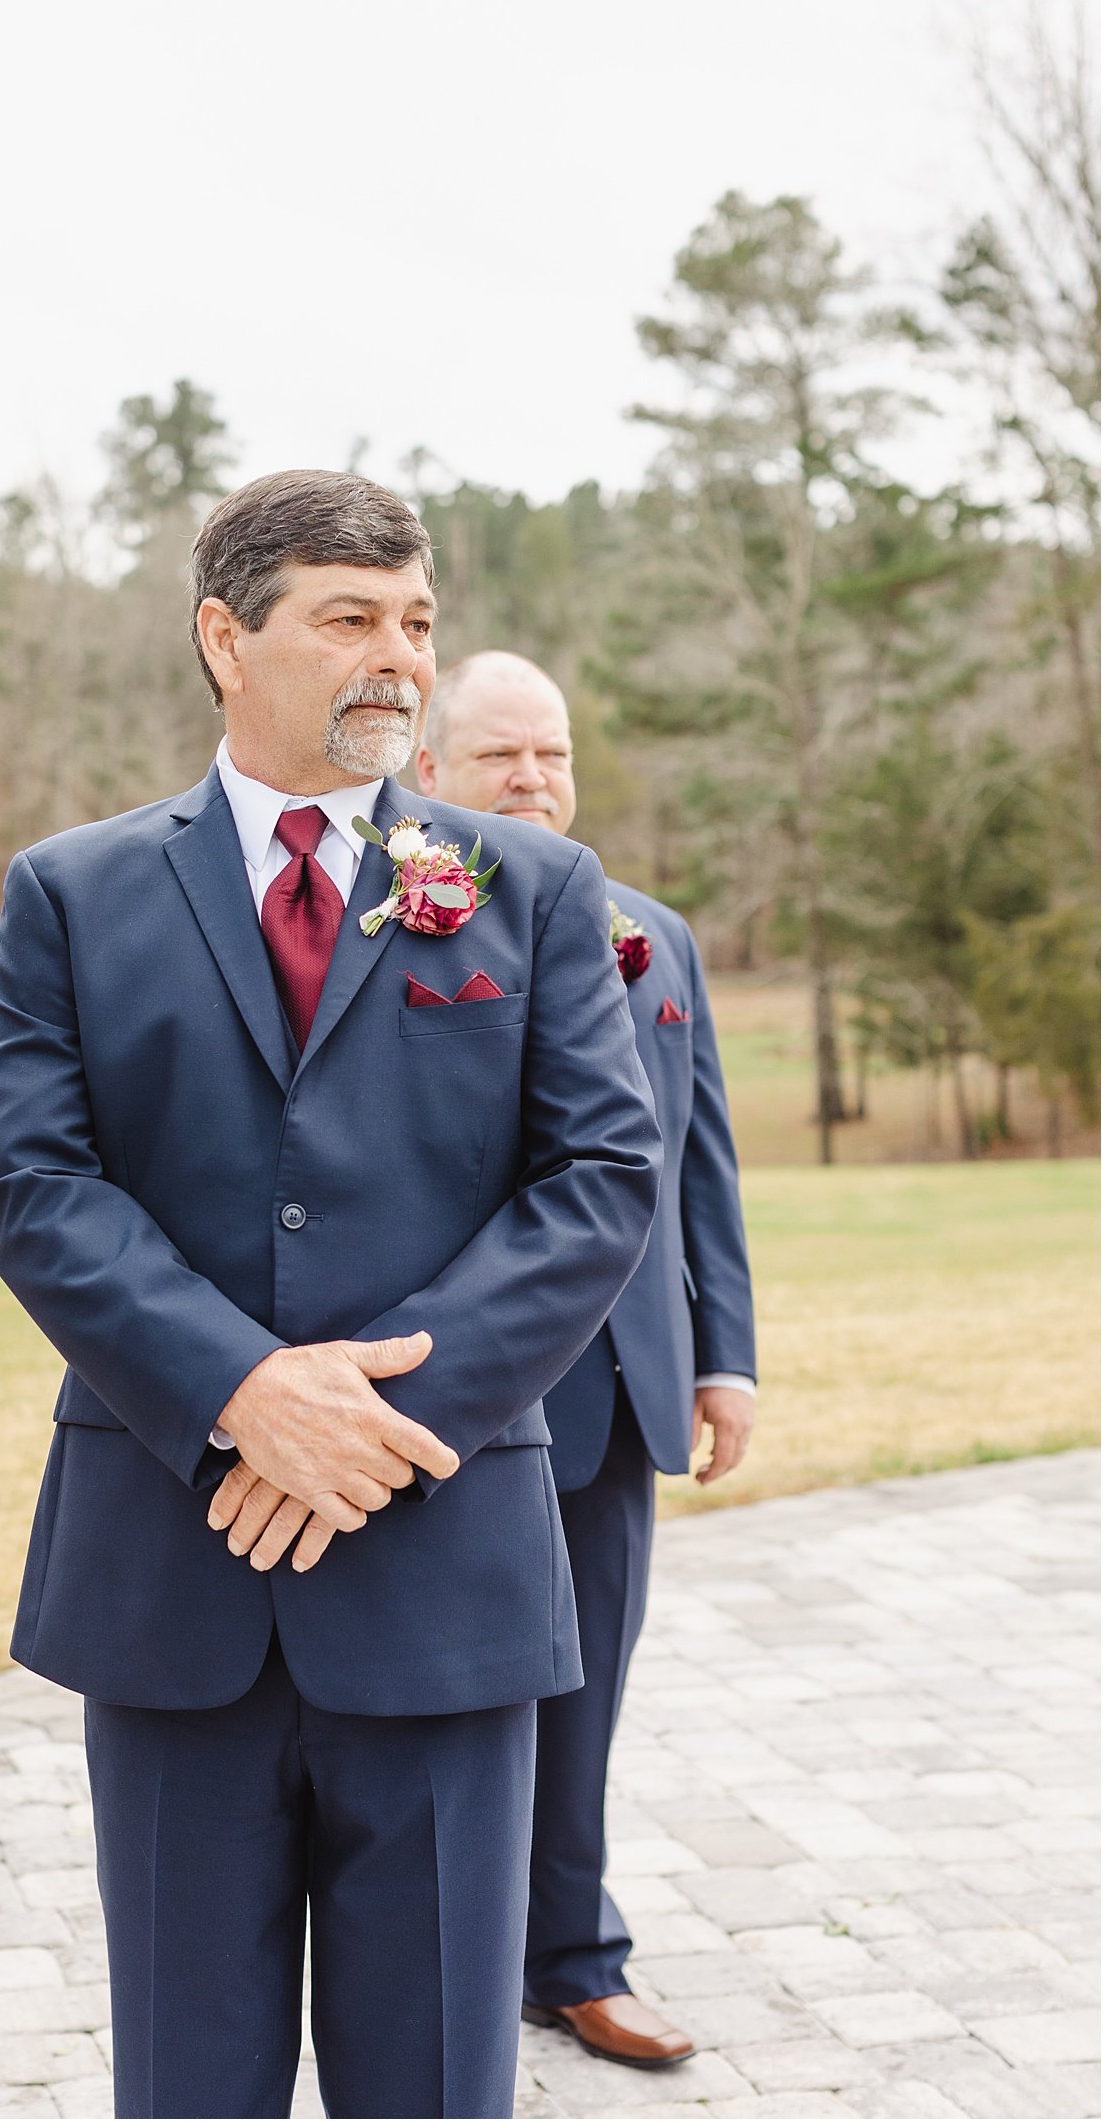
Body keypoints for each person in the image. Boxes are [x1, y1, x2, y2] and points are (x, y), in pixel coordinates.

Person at [0, 474, 662, 2121]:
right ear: (228, 637)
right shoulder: (71, 895)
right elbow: (36, 1187)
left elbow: (600, 1185)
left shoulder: (531, 892)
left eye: (416, 621)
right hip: (171, 1569)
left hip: (444, 1580)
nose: (398, 661)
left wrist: (370, 1422)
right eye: (349, 619)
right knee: (188, 2087)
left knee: (433, 2081)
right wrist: (243, 1396)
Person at [417, 649, 757, 2071]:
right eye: (501, 757)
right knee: (456, 1700)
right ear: (428, 772)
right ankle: (439, 1966)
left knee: (586, 1693)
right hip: (463, 1403)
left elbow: (698, 1171)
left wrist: (722, 1355)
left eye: (550, 755)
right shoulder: (402, 926)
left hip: (622, 1395)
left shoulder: (652, 934)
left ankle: (573, 1960)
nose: (534, 783)